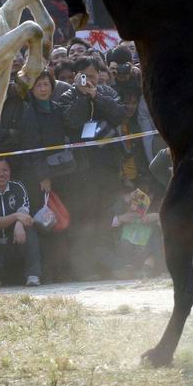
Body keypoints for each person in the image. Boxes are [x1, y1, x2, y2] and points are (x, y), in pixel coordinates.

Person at [58, 56, 127, 279]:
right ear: (77, 76)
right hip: (81, 170)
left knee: (106, 217)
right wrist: (81, 95)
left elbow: (118, 115)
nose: (91, 79)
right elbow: (71, 122)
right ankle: (84, 269)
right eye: (86, 75)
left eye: (94, 74)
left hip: (108, 165)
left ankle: (108, 266)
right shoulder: (67, 96)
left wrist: (96, 95)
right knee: (84, 219)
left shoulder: (107, 92)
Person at [20, 68, 74, 281]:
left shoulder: (57, 107)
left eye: (46, 84)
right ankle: (37, 272)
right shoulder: (28, 112)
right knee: (43, 223)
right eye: (38, 85)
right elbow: (31, 148)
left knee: (59, 221)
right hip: (38, 178)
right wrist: (43, 176)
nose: (43, 89)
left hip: (60, 173)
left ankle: (60, 271)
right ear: (31, 88)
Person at [0, 158, 41, 286]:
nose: (1, 174)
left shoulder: (18, 187)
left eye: (5, 170)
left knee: (29, 228)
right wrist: (16, 216)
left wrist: (19, 224)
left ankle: (33, 276)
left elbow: (25, 213)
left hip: (14, 240)